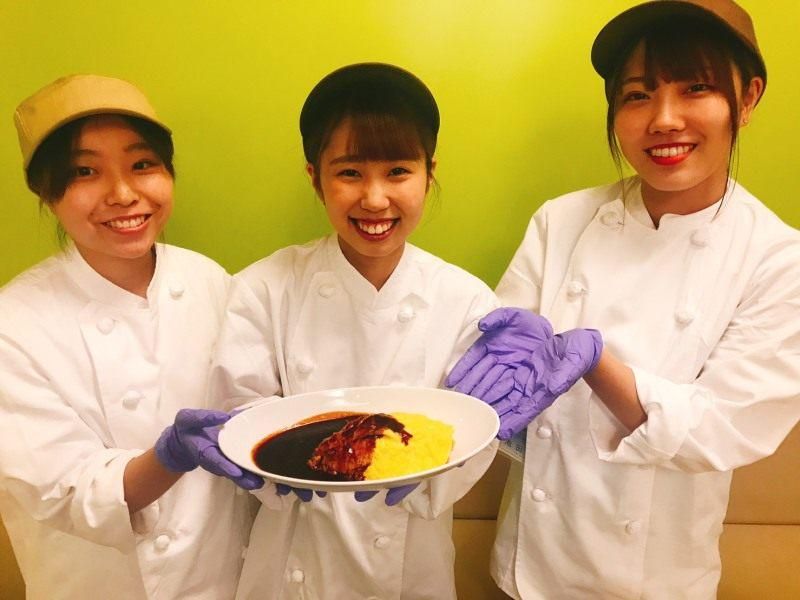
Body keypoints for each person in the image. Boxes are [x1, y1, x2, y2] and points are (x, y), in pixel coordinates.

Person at [447, 1, 800, 597]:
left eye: (696, 88)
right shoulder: (562, 220)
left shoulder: (778, 258)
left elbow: (720, 428)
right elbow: (503, 384)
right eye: (638, 95)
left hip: (652, 581)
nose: (664, 119)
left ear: (747, 98)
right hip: (525, 569)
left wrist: (598, 365)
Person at [209, 63, 498, 600]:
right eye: (349, 173)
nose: (375, 199)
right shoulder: (264, 289)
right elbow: (242, 418)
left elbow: (476, 434)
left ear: (429, 172)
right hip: (295, 561)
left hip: (413, 564)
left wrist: (417, 481)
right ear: (314, 178)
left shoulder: (466, 301)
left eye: (398, 171)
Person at [0, 74, 261, 599]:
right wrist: (169, 457)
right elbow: (62, 492)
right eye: (85, 172)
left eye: (143, 164)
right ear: (47, 192)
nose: (123, 194)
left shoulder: (209, 281)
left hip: (222, 583)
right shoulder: (14, 323)